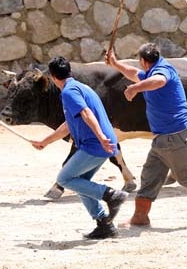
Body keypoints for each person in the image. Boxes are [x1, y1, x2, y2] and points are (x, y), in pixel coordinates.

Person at [105, 43, 187, 226]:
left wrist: (135, 88)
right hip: (164, 138)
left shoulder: (162, 71)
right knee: (150, 175)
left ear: (144, 61)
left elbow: (159, 81)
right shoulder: (152, 70)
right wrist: (115, 63)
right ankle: (140, 216)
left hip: (174, 136)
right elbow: (135, 74)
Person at [30, 57, 129, 240]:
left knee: (65, 178)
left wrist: (100, 137)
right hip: (100, 144)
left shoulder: (69, 92)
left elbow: (86, 113)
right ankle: (104, 225)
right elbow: (68, 124)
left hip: (96, 145)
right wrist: (45, 141)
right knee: (81, 183)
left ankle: (111, 195)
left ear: (52, 77)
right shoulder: (79, 87)